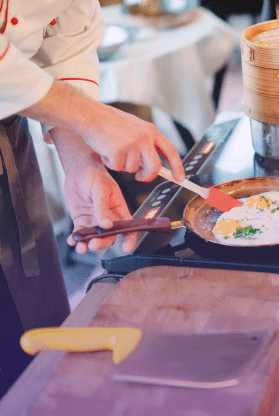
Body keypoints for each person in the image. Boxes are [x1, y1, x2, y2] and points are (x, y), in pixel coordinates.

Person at [0, 0, 186, 397]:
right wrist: (92, 118)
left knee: (42, 344)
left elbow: (64, 27)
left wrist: (81, 159)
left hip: (8, 147)